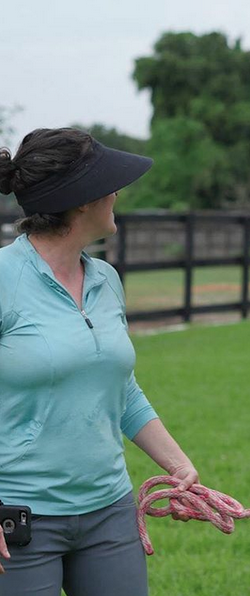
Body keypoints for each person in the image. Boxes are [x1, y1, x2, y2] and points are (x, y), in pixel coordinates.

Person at [0, 128, 199, 596]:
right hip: (20, 523)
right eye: (108, 184)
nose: (117, 193)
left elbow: (122, 389)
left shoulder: (106, 279)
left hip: (109, 511)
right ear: (80, 199)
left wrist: (177, 463)